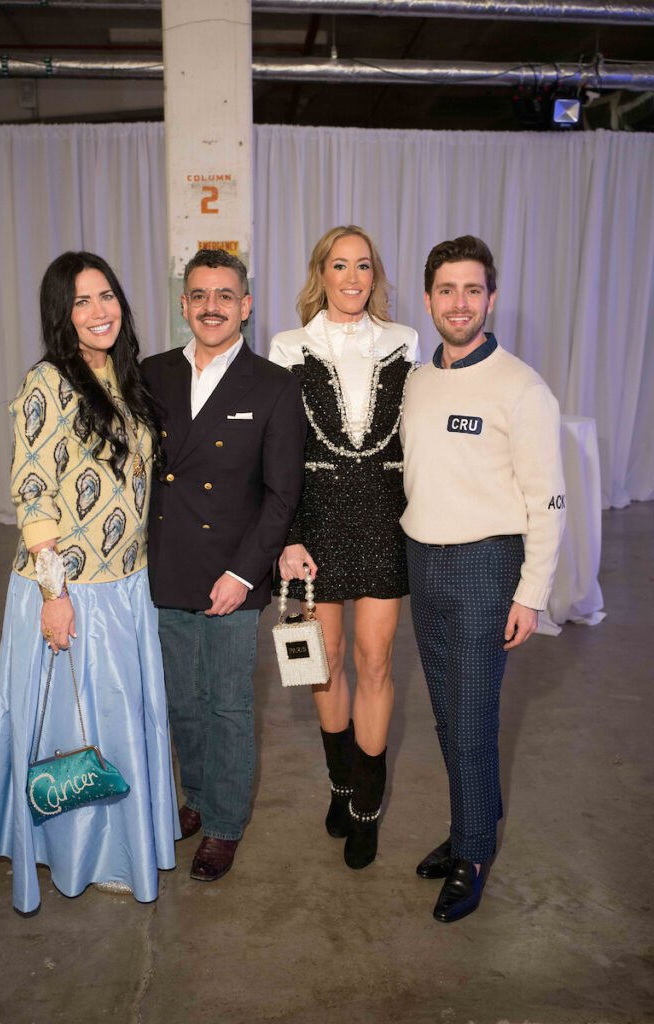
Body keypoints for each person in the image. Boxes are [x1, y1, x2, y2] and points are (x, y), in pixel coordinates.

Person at [0, 251, 178, 912]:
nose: (99, 311)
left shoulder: (127, 378)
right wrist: (54, 594)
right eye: (82, 301)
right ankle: (80, 852)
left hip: (128, 585)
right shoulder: (48, 383)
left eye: (106, 296)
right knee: (75, 725)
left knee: (120, 719)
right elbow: (32, 491)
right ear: (62, 314)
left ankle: (122, 841)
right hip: (73, 590)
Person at [401, 235, 566, 922]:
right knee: (447, 713)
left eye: (472, 290)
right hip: (423, 559)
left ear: (491, 298)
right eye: (447, 290)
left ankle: (473, 853)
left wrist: (531, 593)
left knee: (473, 721)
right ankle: (475, 822)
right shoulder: (416, 379)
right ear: (431, 298)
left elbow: (549, 498)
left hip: (485, 567)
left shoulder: (522, 388)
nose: (459, 303)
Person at [141, 248, 306, 883]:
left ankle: (225, 825)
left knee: (230, 704)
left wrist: (244, 575)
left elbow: (283, 493)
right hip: (165, 564)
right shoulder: (150, 373)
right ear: (184, 304)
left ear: (246, 304)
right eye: (200, 295)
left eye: (225, 295)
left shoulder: (272, 384)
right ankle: (197, 799)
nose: (212, 306)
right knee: (183, 698)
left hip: (233, 572)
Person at [268, 225, 418, 870]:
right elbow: (279, 449)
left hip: (385, 517)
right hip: (316, 519)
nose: (352, 277)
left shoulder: (405, 341)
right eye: (339, 265)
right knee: (320, 662)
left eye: (363, 266)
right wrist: (286, 533)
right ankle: (339, 781)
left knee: (375, 662)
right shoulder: (287, 345)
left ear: (374, 275)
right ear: (320, 274)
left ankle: (365, 806)